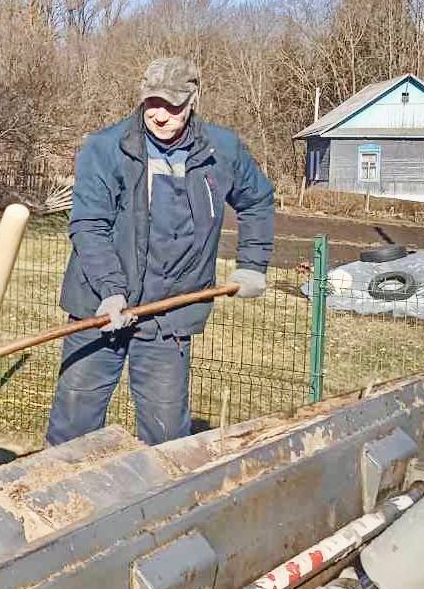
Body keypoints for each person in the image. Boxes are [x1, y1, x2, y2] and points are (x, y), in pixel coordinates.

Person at [46, 57, 275, 447]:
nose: (161, 115)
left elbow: (257, 201)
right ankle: (55, 498)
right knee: (74, 424)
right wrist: (110, 291)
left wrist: (252, 264)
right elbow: (89, 225)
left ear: (192, 101)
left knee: (166, 433)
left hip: (170, 314)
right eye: (153, 103)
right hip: (100, 309)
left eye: (172, 106)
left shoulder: (222, 150)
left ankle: (160, 503)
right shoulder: (106, 149)